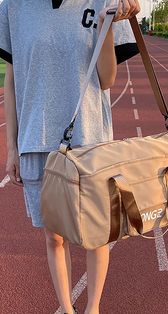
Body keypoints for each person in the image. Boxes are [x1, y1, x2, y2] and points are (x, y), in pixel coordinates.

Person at [0, 0, 140, 313]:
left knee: (98, 235)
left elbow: (107, 80)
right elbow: (12, 77)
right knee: (54, 238)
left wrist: (106, 25)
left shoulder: (102, 1)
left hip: (90, 140)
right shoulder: (12, 6)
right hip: (38, 139)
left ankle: (93, 308)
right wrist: (12, 146)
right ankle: (67, 308)